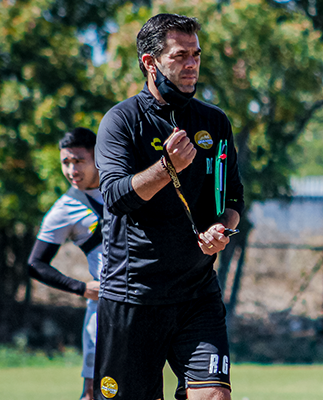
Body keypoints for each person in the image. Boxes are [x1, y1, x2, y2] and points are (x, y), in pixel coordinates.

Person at [93, 13, 244, 400]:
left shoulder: (215, 122)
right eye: (180, 55)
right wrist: (167, 167)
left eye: (196, 54)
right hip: (134, 297)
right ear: (150, 62)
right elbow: (115, 197)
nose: (192, 64)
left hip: (197, 294)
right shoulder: (120, 122)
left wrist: (222, 228)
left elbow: (232, 200)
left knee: (214, 397)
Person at [27, 127, 104, 400]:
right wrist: (82, 288)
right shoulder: (64, 209)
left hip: (149, 302)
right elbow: (36, 264)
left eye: (79, 161)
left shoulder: (127, 185)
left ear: (98, 156)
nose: (72, 170)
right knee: (92, 392)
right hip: (104, 309)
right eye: (66, 163)